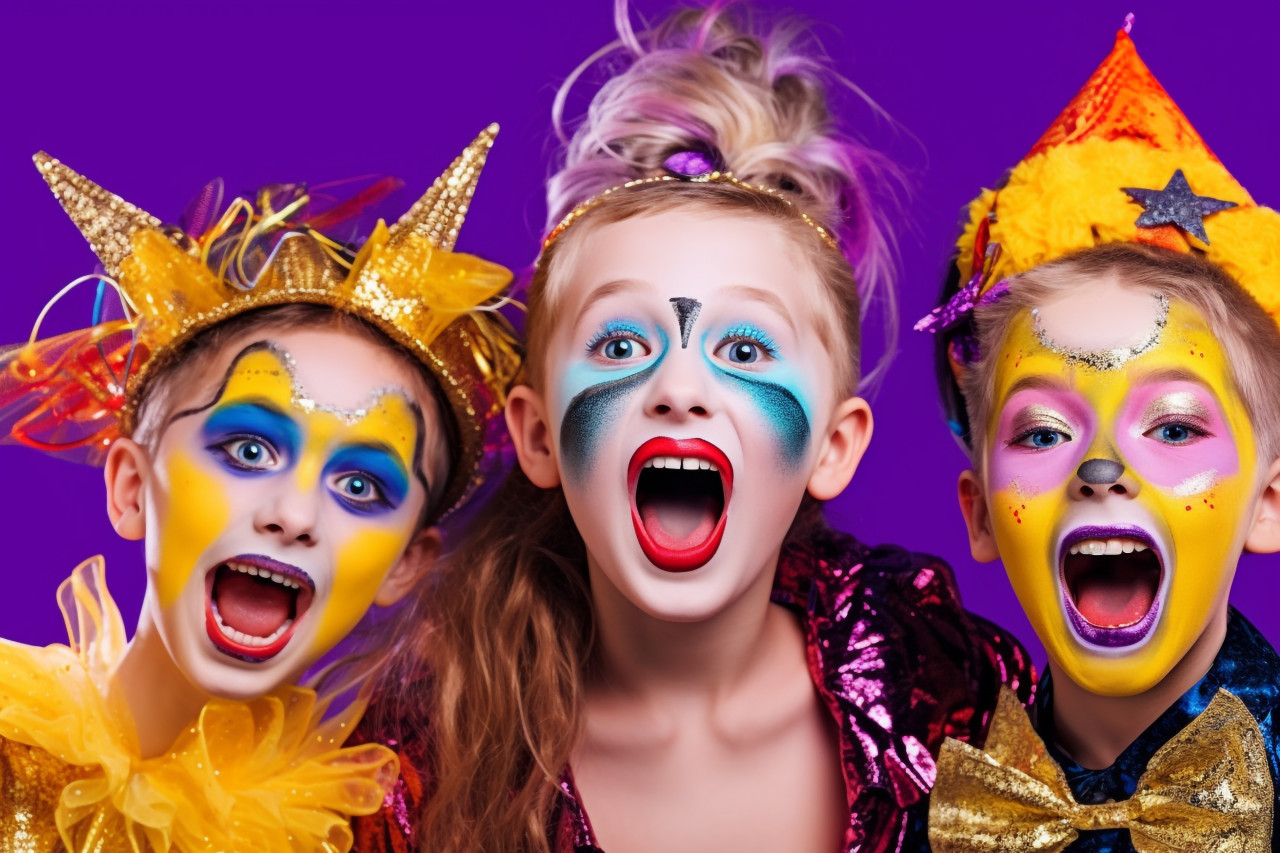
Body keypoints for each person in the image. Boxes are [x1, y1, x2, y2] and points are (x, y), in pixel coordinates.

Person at [355, 6, 1032, 852]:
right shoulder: (420, 765)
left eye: (745, 347)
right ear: (537, 436)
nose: (679, 386)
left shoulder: (950, 704)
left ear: (835, 445)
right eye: (620, 342)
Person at [0, 127, 520, 851]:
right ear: (131, 487)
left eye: (362, 485)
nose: (294, 513)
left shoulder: (372, 834)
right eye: (248, 449)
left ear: (406, 562)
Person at [918, 19, 1280, 852]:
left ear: (1266, 501)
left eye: (1175, 425)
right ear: (978, 513)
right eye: (1044, 433)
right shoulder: (919, 793)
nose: (1102, 465)